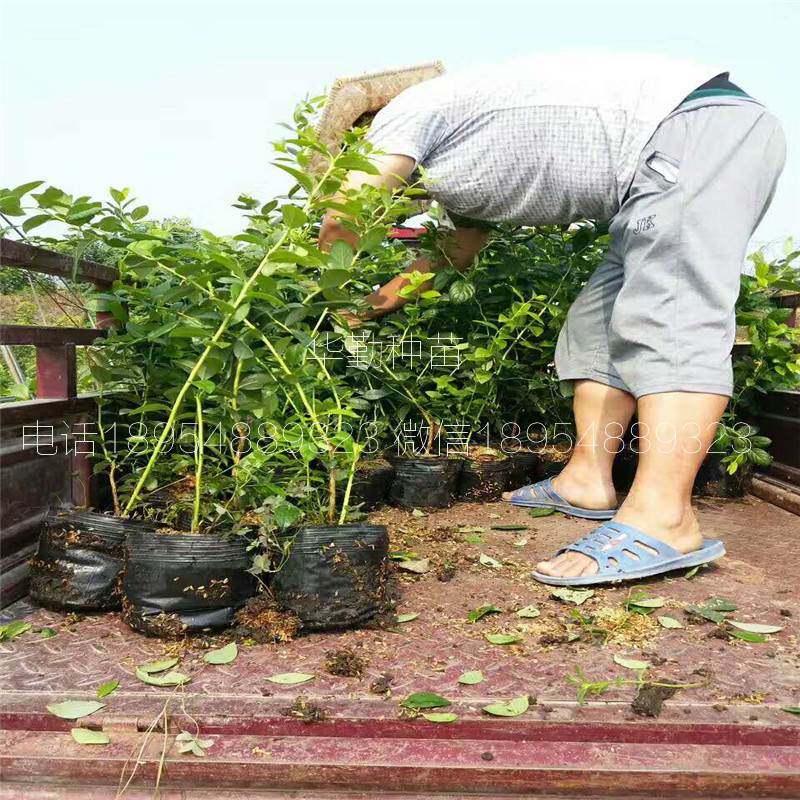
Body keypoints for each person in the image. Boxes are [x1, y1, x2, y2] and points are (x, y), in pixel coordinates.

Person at [317, 51, 786, 586]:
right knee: (596, 328)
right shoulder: (453, 164)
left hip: (694, 130)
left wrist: (322, 283)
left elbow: (349, 208)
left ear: (358, 135)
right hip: (655, 170)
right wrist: (370, 307)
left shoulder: (402, 112)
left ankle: (666, 517)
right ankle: (586, 480)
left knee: (670, 310)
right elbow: (453, 253)